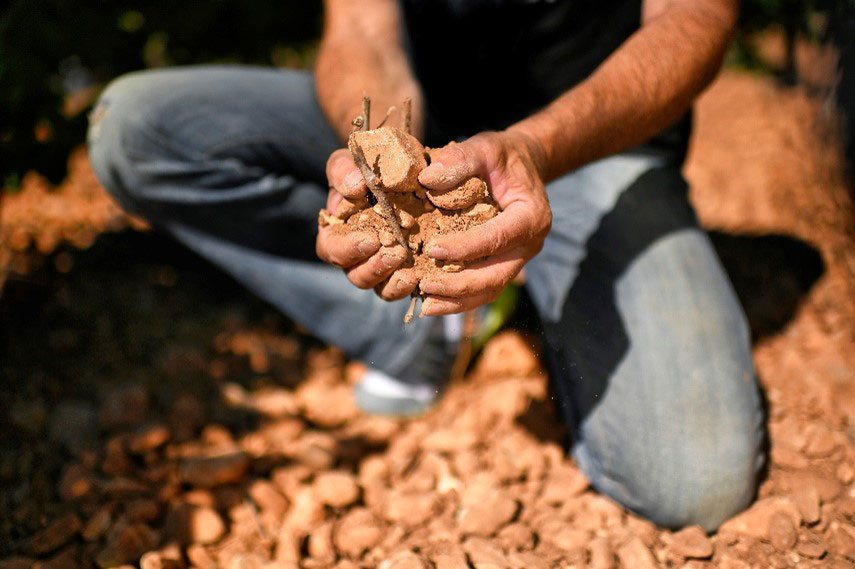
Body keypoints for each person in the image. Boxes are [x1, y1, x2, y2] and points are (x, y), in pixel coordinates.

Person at [87, 0, 765, 531]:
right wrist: (383, 153)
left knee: (691, 478)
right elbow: (359, 27)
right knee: (135, 130)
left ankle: (538, 294)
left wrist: (534, 146)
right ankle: (426, 329)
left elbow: (695, 16)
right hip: (429, 124)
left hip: (597, 140)